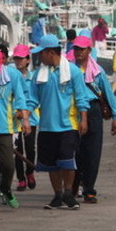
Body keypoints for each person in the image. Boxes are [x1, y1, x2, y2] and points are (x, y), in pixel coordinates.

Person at [28, 34, 96, 210]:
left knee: (67, 160)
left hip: (68, 124)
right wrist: (26, 116)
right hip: (47, 126)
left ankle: (68, 192)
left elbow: (81, 97)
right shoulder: (39, 74)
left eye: (41, 53)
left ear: (50, 52)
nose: (39, 56)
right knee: (51, 164)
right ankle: (58, 194)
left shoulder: (72, 71)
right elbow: (32, 99)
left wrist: (84, 119)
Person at [69, 36, 116, 204]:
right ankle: (73, 186)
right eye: (76, 49)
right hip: (73, 112)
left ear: (88, 51)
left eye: (81, 49)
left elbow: (107, 93)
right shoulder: (68, 70)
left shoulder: (97, 71)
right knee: (74, 151)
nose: (78, 52)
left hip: (93, 111)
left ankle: (89, 189)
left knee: (92, 152)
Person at [0, 45, 31, 211]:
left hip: (5, 127)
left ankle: (5, 188)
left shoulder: (13, 75)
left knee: (8, 165)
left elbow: (20, 97)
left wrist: (24, 119)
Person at [11, 45, 39, 191]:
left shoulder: (33, 77)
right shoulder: (10, 75)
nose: (18, 61)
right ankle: (21, 178)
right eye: (16, 58)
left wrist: (26, 111)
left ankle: (30, 172)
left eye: (21, 58)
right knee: (17, 149)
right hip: (14, 117)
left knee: (30, 147)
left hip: (30, 117)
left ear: (28, 60)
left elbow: (35, 97)